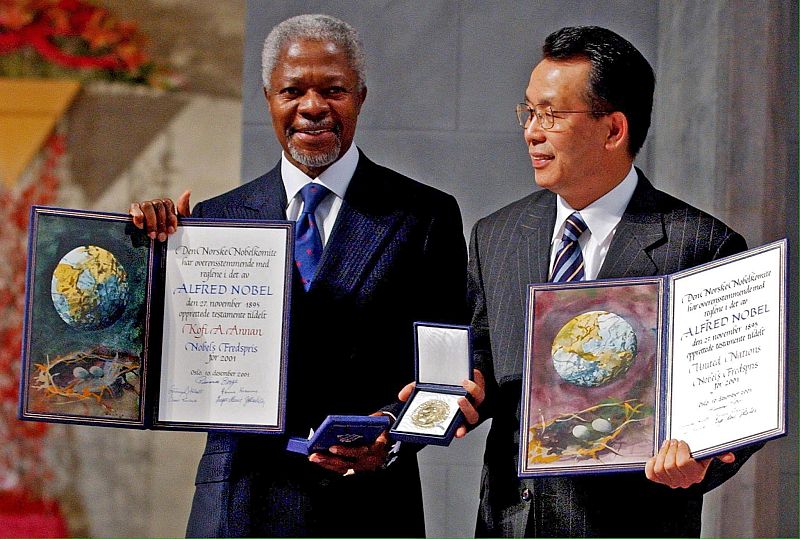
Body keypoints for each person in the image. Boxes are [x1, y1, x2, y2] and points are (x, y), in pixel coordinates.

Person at [130, 14, 467, 537]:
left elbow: (447, 373)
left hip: (370, 505)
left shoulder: (424, 215)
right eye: (293, 91)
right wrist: (145, 252)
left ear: (360, 96)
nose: (312, 108)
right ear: (268, 97)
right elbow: (155, 357)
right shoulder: (211, 225)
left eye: (333, 90)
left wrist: (392, 439)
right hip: (239, 504)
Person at [457, 26, 762, 537]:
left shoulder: (700, 246)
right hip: (510, 522)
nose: (532, 131)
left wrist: (704, 460)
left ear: (614, 129)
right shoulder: (498, 235)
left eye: (551, 115)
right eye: (528, 112)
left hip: (632, 522)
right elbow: (484, 352)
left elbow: (735, 402)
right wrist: (463, 393)